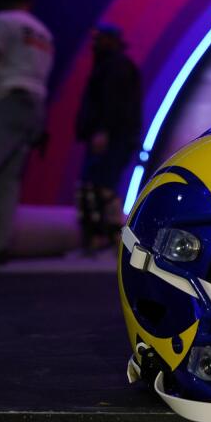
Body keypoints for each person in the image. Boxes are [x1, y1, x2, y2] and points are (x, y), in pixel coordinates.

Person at [0, 0, 53, 264]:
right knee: (9, 179)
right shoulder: (43, 32)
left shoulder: (4, 22)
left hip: (8, 97)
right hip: (35, 104)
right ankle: (0, 245)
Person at [75, 24, 141, 253]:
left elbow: (114, 103)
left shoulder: (116, 67)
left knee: (100, 189)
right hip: (116, 135)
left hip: (113, 135)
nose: (95, 44)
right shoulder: (113, 65)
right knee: (100, 188)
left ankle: (107, 240)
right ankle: (107, 240)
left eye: (100, 39)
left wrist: (103, 130)